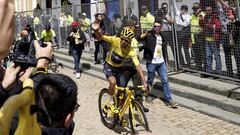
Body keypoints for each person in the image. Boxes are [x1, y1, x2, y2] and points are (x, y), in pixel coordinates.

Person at [92, 23, 148, 99]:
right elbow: (101, 37)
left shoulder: (130, 50)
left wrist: (144, 82)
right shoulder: (115, 40)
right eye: (122, 39)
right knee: (113, 82)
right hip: (109, 66)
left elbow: (138, 66)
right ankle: (110, 100)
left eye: (126, 41)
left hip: (119, 68)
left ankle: (119, 107)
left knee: (123, 89)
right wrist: (96, 30)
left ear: (129, 42)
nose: (123, 41)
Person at [138, 20, 178, 108]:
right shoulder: (149, 35)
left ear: (161, 27)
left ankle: (169, 99)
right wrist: (145, 33)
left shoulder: (162, 36)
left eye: (158, 26)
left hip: (161, 63)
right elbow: (139, 39)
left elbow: (164, 49)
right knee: (150, 81)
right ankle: (148, 95)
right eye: (155, 26)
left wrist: (166, 60)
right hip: (151, 62)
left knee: (165, 80)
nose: (156, 28)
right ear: (153, 26)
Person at [122, 21, 149, 112]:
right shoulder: (125, 38)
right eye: (134, 27)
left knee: (138, 87)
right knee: (122, 86)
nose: (136, 29)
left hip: (135, 66)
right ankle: (117, 103)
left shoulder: (134, 39)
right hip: (126, 66)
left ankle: (139, 105)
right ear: (130, 27)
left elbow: (136, 49)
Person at [199, 6, 222, 78]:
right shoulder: (205, 17)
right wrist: (201, 20)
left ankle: (218, 72)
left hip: (214, 40)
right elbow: (202, 26)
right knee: (208, 56)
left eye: (209, 10)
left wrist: (208, 25)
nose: (207, 11)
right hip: (207, 39)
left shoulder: (215, 17)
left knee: (216, 56)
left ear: (211, 10)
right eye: (206, 10)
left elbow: (217, 26)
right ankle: (209, 72)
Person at [172, 1, 191, 67]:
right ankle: (182, 63)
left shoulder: (188, 16)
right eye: (181, 9)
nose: (182, 11)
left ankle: (188, 63)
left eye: (184, 10)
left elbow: (185, 24)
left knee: (186, 50)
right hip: (178, 34)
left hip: (184, 35)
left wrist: (177, 22)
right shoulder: (178, 13)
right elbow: (174, 7)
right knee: (178, 50)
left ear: (186, 10)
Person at [190, 3, 206, 77]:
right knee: (196, 54)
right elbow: (190, 26)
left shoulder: (203, 15)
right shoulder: (192, 16)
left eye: (196, 8)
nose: (195, 10)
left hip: (201, 37)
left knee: (203, 54)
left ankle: (204, 69)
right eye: (194, 9)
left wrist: (200, 32)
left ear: (200, 8)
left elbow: (205, 26)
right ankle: (198, 68)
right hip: (193, 37)